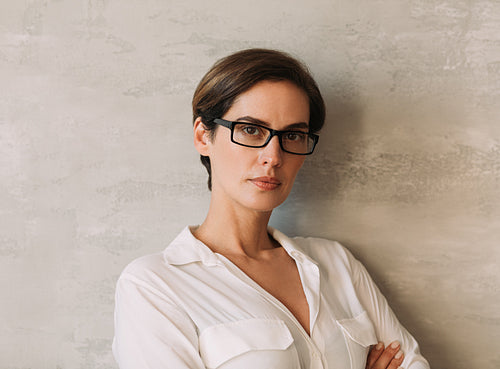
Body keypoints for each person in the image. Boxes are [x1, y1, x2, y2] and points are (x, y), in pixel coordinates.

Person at [112, 49, 430, 369]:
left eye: (292, 135)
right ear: (202, 136)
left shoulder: (336, 264)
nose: (273, 156)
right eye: (251, 129)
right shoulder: (155, 286)